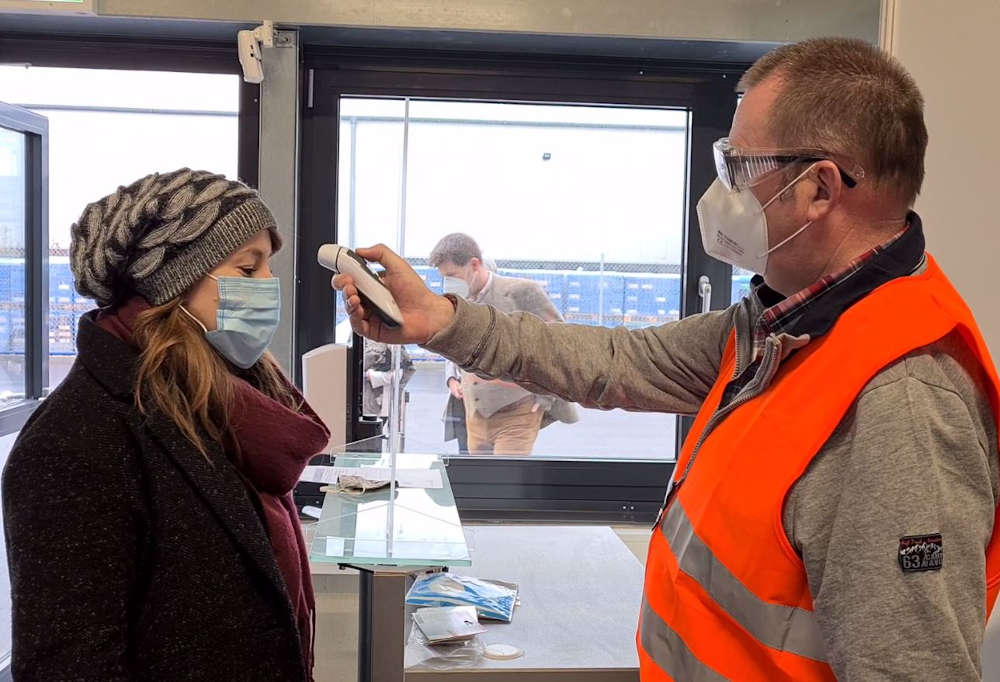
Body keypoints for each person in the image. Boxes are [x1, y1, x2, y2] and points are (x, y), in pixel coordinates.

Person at [334, 38, 1000, 680]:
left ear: (821, 188)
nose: (721, 193)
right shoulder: (775, 329)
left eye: (738, 167)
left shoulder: (900, 402)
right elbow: (613, 359)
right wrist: (439, 321)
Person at [3, 169, 328, 680]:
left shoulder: (222, 401)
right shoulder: (74, 441)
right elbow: (69, 663)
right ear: (171, 282)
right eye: (248, 268)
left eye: (269, 266)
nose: (269, 287)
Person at [429, 233, 577, 455]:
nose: (448, 283)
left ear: (474, 264)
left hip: (517, 411)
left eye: (452, 275)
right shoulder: (457, 303)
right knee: (482, 482)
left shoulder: (522, 292)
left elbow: (560, 342)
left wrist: (546, 397)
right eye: (445, 278)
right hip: (476, 416)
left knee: (505, 479)